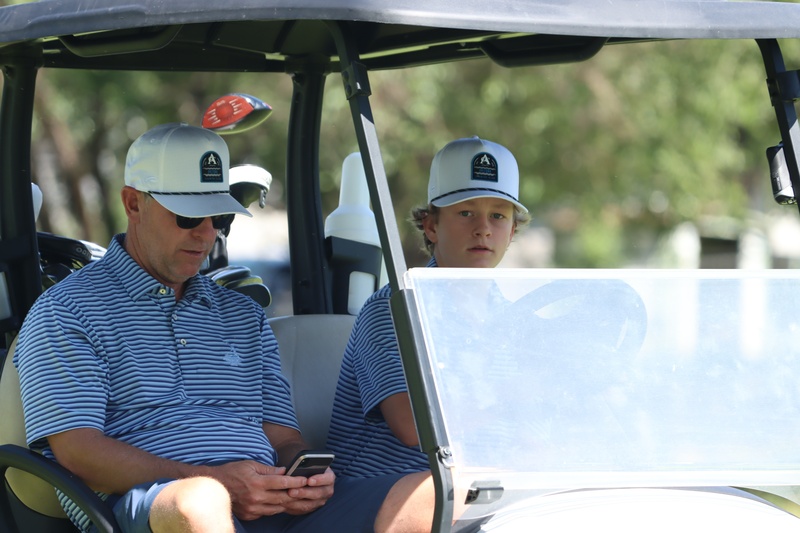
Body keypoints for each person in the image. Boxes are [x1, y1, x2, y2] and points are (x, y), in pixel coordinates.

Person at [14, 122, 433, 533]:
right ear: (133, 203)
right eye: (187, 217)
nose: (206, 234)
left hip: (265, 502)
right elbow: (78, 451)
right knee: (201, 501)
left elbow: (282, 436)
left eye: (218, 217)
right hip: (153, 503)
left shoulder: (243, 314)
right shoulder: (69, 309)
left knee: (429, 494)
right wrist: (217, 481)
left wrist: (301, 473)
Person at [326, 136, 530, 478]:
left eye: (498, 215)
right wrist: (513, 399)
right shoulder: (393, 309)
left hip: (480, 485)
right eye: (466, 213)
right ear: (431, 226)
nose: (483, 229)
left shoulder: (516, 321)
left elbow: (534, 433)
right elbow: (410, 425)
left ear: (511, 232)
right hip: (390, 487)